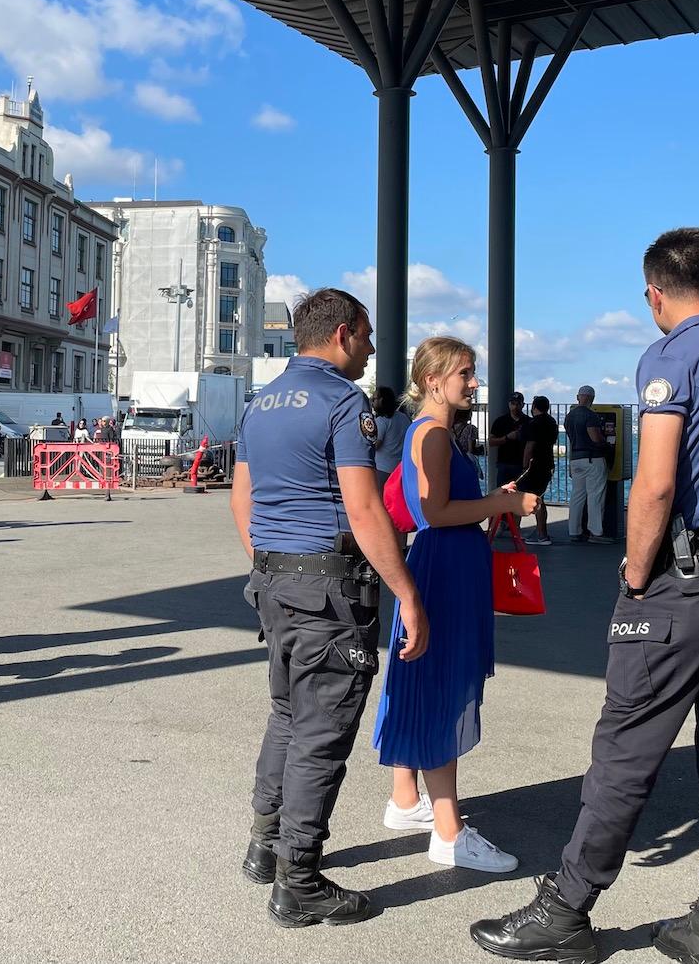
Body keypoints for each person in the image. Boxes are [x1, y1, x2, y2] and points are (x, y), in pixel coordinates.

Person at [471, 227, 699, 964]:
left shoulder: (671, 355)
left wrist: (634, 572)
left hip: (686, 578)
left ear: (654, 295)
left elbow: (655, 481)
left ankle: (567, 908)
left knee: (626, 747)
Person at [230, 287, 428, 929]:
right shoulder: (342, 403)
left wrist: (271, 565)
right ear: (342, 334)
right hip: (329, 591)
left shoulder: (259, 403)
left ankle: (266, 844)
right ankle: (300, 880)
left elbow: (244, 499)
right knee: (322, 733)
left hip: (275, 582)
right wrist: (406, 593)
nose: (371, 350)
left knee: (287, 714)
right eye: (367, 336)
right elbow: (365, 508)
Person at [373, 337, 538, 874]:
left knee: (421, 678)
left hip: (440, 563)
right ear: (434, 379)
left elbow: (432, 508)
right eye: (465, 373)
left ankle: (405, 799)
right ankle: (449, 833)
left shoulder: (423, 430)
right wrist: (504, 502)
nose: (473, 382)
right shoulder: (437, 434)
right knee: (444, 685)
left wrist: (491, 500)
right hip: (449, 564)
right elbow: (436, 511)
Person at [565, 385, 611, 544]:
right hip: (592, 459)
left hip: (576, 459)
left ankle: (574, 531)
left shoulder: (569, 416)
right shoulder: (591, 416)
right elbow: (595, 438)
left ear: (578, 397)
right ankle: (596, 532)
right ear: (592, 398)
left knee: (577, 496)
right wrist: (606, 444)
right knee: (595, 495)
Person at [518, 395, 560, 545]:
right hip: (547, 463)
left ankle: (529, 533)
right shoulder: (552, 422)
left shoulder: (533, 423)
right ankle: (542, 532)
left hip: (533, 465)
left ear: (534, 407)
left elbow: (530, 446)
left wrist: (524, 466)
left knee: (520, 497)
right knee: (539, 497)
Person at [488, 391, 528, 488]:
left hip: (521, 465)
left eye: (518, 404)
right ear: (509, 404)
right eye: (513, 404)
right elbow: (491, 442)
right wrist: (507, 437)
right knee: (502, 494)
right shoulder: (500, 421)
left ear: (523, 405)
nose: (515, 407)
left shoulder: (529, 422)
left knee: (521, 495)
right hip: (504, 464)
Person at [371, 386, 410, 488]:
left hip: (382, 470)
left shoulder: (381, 421)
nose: (372, 402)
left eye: (374, 399)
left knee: (381, 501)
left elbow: (375, 445)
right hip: (400, 470)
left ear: (382, 400)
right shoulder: (404, 418)